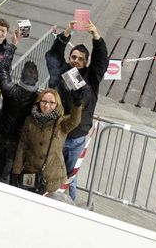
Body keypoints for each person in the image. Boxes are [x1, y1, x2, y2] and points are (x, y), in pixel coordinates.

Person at [45, 20, 108, 201]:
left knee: (70, 178)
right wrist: (66, 34)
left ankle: (69, 206)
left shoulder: (92, 77)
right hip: (56, 133)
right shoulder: (60, 71)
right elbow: (53, 56)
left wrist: (96, 36)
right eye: (73, 57)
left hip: (76, 138)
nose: (76, 61)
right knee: (50, 173)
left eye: (80, 59)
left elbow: (101, 60)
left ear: (86, 62)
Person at [12, 89, 82, 194]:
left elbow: (74, 121)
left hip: (54, 177)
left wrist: (77, 105)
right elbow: (22, 146)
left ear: (57, 104)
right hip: (31, 174)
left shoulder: (61, 123)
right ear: (38, 102)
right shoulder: (30, 121)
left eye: (52, 102)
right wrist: (16, 172)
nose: (47, 105)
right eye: (44, 101)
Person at [0, 32, 39, 183]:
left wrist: (13, 45)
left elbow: (3, 69)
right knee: (12, 170)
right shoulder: (39, 99)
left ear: (21, 77)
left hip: (3, 134)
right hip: (21, 140)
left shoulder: (10, 90)